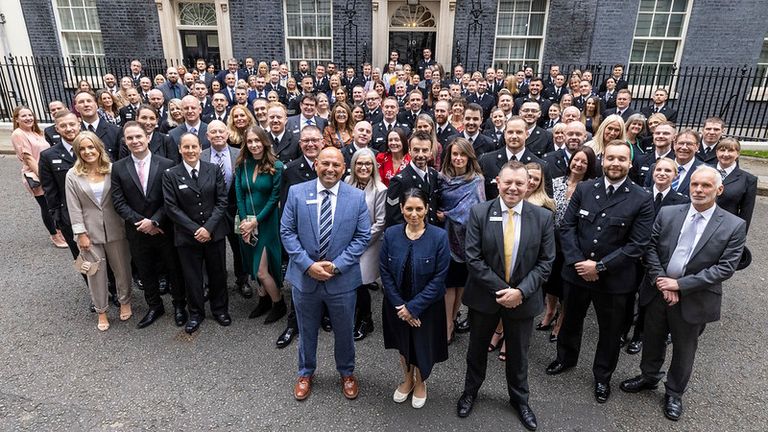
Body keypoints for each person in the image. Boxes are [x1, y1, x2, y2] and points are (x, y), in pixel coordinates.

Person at [619, 166, 746, 422]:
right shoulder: (668, 213)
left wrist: (680, 285)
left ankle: (674, 392)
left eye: (706, 186)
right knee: (652, 338)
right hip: (658, 291)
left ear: (719, 190)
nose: (698, 189)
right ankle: (649, 376)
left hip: (694, 298)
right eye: (695, 184)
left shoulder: (734, 225)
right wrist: (663, 283)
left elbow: (724, 268)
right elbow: (650, 248)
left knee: (684, 348)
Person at [546, 140, 655, 405]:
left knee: (610, 331)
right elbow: (567, 228)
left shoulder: (641, 197)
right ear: (602, 160)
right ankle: (565, 358)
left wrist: (601, 267)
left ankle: (602, 376)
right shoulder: (585, 188)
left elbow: (637, 244)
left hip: (614, 280)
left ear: (630, 163)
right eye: (611, 158)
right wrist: (578, 262)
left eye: (621, 159)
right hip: (577, 274)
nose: (615, 163)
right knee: (570, 320)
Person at [457, 161, 556, 432]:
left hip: (523, 300)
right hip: (485, 298)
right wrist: (504, 291)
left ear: (529, 185)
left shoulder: (543, 218)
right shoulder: (479, 212)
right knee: (476, 350)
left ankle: (520, 400)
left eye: (520, 183)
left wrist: (520, 292)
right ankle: (470, 392)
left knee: (519, 355)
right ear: (497, 182)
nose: (513, 188)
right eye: (508, 182)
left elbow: (546, 262)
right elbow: (473, 258)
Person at [280, 146, 371, 401]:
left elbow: (363, 236)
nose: (330, 169)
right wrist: (308, 265)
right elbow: (287, 232)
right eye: (325, 163)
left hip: (341, 279)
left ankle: (347, 372)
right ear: (316, 164)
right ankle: (306, 372)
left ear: (344, 169)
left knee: (344, 331)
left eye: (336, 165)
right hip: (305, 278)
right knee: (306, 329)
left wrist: (336, 265)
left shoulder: (355, 197)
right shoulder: (297, 193)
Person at [111, 122, 188, 329]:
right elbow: (118, 201)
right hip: (136, 230)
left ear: (147, 138)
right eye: (130, 138)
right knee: (145, 270)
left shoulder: (166, 163)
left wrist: (154, 221)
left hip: (164, 227)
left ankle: (180, 305)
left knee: (174, 268)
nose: (135, 141)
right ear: (125, 142)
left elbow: (171, 199)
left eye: (138, 137)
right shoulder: (118, 167)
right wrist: (142, 223)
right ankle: (154, 306)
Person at [380, 187, 450, 409]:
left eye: (419, 208)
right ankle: (408, 379)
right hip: (396, 303)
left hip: (427, 306)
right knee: (403, 344)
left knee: (422, 345)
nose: (414, 214)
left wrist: (414, 308)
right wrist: (401, 306)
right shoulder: (391, 234)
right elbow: (385, 271)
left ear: (427, 208)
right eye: (408, 208)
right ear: (401, 208)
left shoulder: (439, 236)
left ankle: (421, 382)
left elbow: (439, 278)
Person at [162, 133, 230, 334]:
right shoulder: (171, 174)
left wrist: (208, 228)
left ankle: (220, 310)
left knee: (218, 274)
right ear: (180, 149)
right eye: (186, 147)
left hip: (213, 233)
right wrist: (195, 230)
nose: (190, 151)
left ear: (201, 148)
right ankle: (196, 313)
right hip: (187, 236)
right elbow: (171, 207)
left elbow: (222, 201)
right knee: (192, 277)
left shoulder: (213, 169)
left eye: (194, 147)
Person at [66, 131, 133, 331]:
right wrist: (81, 234)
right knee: (95, 273)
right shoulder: (73, 175)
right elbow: (73, 206)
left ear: (99, 148)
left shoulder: (113, 170)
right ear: (78, 152)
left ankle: (125, 301)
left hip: (116, 227)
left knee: (122, 269)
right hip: (89, 232)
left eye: (91, 147)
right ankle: (101, 310)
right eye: (83, 149)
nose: (88, 152)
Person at [623, 157, 690, 354]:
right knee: (627, 296)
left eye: (667, 171)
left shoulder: (681, 202)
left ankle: (639, 336)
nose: (662, 173)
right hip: (633, 256)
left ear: (675, 176)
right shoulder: (639, 196)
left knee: (647, 300)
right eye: (658, 169)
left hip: (658, 260)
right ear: (652, 173)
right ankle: (623, 332)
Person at [276, 125, 323, 349]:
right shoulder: (291, 170)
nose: (311, 144)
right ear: (300, 144)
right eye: (306, 141)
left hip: (327, 234)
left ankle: (324, 316)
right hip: (303, 239)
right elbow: (286, 210)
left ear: (323, 142)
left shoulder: (330, 166)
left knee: (326, 278)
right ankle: (294, 324)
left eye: (315, 140)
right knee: (300, 284)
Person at [545, 146, 599, 343]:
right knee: (550, 282)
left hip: (573, 244)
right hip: (550, 240)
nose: (578, 164)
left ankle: (561, 320)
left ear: (590, 166)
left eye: (584, 162)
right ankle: (549, 312)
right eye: (576, 160)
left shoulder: (591, 188)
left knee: (566, 285)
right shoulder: (555, 182)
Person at [235, 125, 287, 324]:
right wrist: (245, 222)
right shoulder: (242, 164)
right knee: (251, 264)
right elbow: (239, 195)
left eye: (258, 141)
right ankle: (263, 300)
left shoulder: (277, 166)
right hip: (247, 223)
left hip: (267, 223)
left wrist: (255, 221)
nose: (254, 145)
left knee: (261, 270)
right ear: (246, 144)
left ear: (264, 142)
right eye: (250, 141)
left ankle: (278, 303)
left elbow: (274, 199)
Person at [436, 138, 485, 343]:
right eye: (454, 154)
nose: (458, 158)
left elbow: (477, 211)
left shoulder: (477, 180)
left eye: (462, 154)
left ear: (469, 156)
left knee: (460, 285)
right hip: (445, 239)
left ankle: (454, 317)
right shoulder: (441, 178)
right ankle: (446, 323)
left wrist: (448, 215)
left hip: (467, 241)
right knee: (448, 285)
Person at [202, 121, 251, 298]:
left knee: (239, 247)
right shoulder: (201, 156)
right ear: (207, 136)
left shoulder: (240, 155)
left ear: (227, 134)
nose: (217, 135)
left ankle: (242, 280)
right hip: (211, 211)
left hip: (235, 208)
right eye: (213, 132)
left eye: (221, 131)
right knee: (212, 249)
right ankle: (210, 282)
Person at [345, 148, 387, 341]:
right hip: (346, 241)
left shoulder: (380, 190)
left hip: (368, 244)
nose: (363, 167)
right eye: (359, 163)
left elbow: (380, 222)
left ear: (373, 166)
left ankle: (366, 320)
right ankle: (355, 315)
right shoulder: (346, 183)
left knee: (360, 282)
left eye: (367, 164)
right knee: (349, 282)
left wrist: (359, 242)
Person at [11, 106, 66, 248]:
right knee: (46, 206)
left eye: (30, 115)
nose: (28, 118)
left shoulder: (35, 132)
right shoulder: (18, 134)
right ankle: (55, 236)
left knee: (53, 203)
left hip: (46, 173)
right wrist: (44, 178)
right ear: (17, 119)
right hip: (36, 175)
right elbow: (29, 158)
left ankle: (60, 231)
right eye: (23, 116)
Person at [479, 117, 545, 200]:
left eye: (519, 132)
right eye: (510, 132)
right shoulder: (486, 161)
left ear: (527, 134)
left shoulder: (541, 166)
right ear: (504, 133)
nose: (514, 136)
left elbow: (545, 200)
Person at [385, 131, 439, 227]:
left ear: (431, 152)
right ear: (409, 151)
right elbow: (393, 219)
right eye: (416, 150)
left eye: (425, 150)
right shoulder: (399, 181)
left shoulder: (433, 175)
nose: (421, 155)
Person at [714, 138, 757, 232]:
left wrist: (740, 235)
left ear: (738, 153)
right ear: (716, 152)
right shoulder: (703, 170)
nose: (725, 154)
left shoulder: (749, 179)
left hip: (726, 228)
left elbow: (746, 212)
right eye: (722, 150)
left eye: (731, 150)